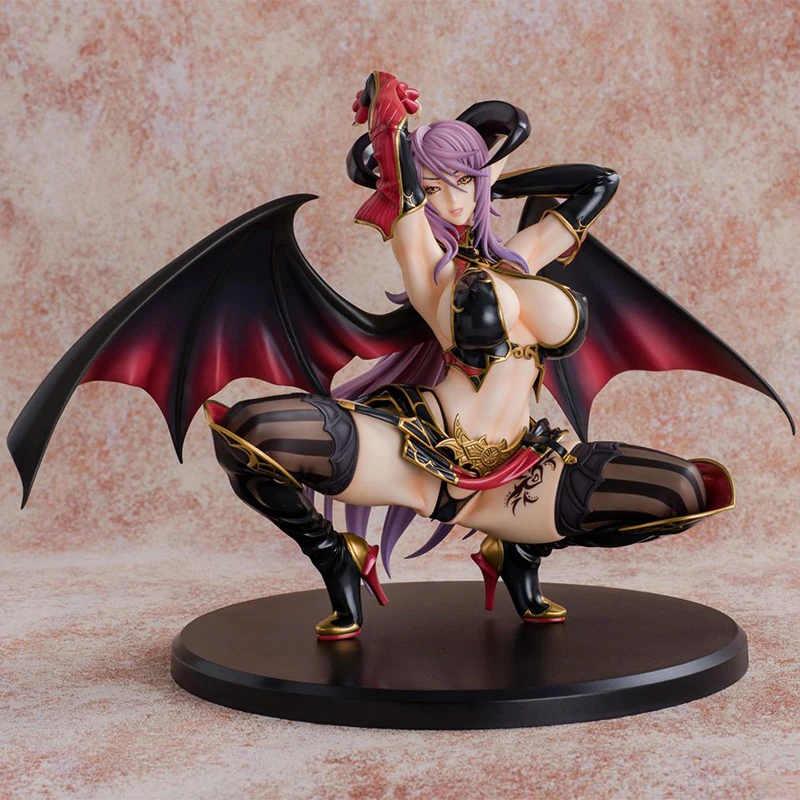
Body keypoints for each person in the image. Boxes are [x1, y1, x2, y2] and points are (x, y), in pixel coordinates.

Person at [9, 71, 790, 642]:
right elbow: (408, 189)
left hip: (519, 476)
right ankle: (335, 556)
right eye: (439, 185)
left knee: (687, 491)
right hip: (418, 456)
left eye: (463, 183)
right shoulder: (431, 270)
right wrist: (397, 134)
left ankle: (516, 554)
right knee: (250, 433)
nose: (452, 198)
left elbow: (598, 182)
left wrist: (492, 178)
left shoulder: (523, 255)